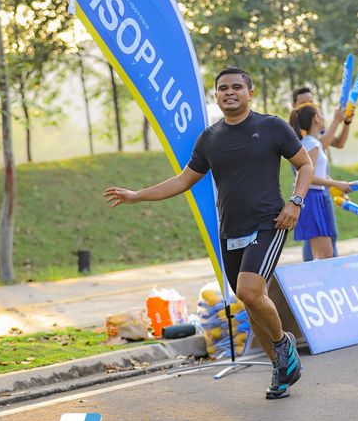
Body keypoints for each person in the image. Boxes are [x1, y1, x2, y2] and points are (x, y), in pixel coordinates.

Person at [104, 67, 314, 400]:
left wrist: (296, 202)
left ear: (250, 93)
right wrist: (137, 195)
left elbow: (305, 164)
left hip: (269, 223)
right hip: (230, 231)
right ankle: (281, 369)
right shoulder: (210, 138)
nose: (229, 92)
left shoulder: (272, 126)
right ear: (215, 96)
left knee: (249, 290)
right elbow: (182, 180)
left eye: (237, 87)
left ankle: (282, 343)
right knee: (250, 304)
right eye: (222, 88)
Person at [292, 86, 354, 260]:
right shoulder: (305, 139)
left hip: (319, 193)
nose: (309, 105)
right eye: (304, 104)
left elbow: (336, 143)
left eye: (311, 102)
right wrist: (336, 121)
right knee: (321, 250)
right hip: (310, 195)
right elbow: (308, 174)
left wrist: (345, 122)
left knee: (325, 246)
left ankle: (324, 275)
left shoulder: (313, 140)